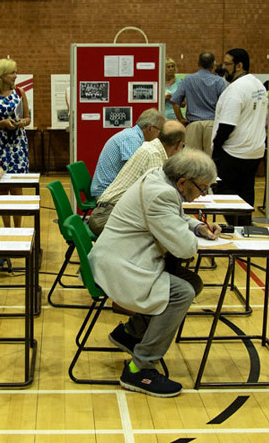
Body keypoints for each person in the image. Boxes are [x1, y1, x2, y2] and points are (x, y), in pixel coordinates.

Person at [88, 148, 220, 397]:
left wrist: (198, 226)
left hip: (125, 258)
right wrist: (191, 235)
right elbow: (184, 249)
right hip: (120, 267)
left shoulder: (160, 177)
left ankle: (130, 334)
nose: (203, 194)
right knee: (182, 292)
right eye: (202, 187)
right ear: (182, 182)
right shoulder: (161, 193)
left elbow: (177, 217)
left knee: (191, 281)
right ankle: (140, 369)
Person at [88, 120, 186, 236]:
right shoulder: (154, 155)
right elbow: (155, 202)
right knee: (163, 236)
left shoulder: (150, 147)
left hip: (109, 211)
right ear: (179, 145)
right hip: (107, 217)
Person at [212, 48, 268, 226]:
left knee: (223, 192)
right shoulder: (258, 85)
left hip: (234, 151)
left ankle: (238, 227)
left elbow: (227, 124)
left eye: (227, 64)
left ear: (239, 65)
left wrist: (216, 149)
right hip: (254, 151)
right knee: (246, 193)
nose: (223, 67)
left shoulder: (236, 90)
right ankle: (245, 228)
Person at [0, 57, 31, 228]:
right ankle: (6, 228)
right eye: (12, 72)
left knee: (17, 187)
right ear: (2, 75)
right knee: (2, 188)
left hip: (18, 145)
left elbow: (28, 118)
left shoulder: (20, 92)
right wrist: (2, 124)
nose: (15, 75)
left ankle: (19, 229)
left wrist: (21, 122)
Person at [90, 108, 164, 197]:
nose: (160, 134)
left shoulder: (133, 135)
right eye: (160, 130)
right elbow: (135, 171)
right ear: (150, 128)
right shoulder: (132, 139)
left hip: (109, 188)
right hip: (106, 192)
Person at [171, 52, 227, 155]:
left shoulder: (188, 80)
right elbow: (225, 104)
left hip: (193, 125)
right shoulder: (219, 81)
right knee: (210, 161)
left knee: (192, 161)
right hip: (212, 125)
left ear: (198, 64)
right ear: (213, 65)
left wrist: (181, 119)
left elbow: (175, 101)